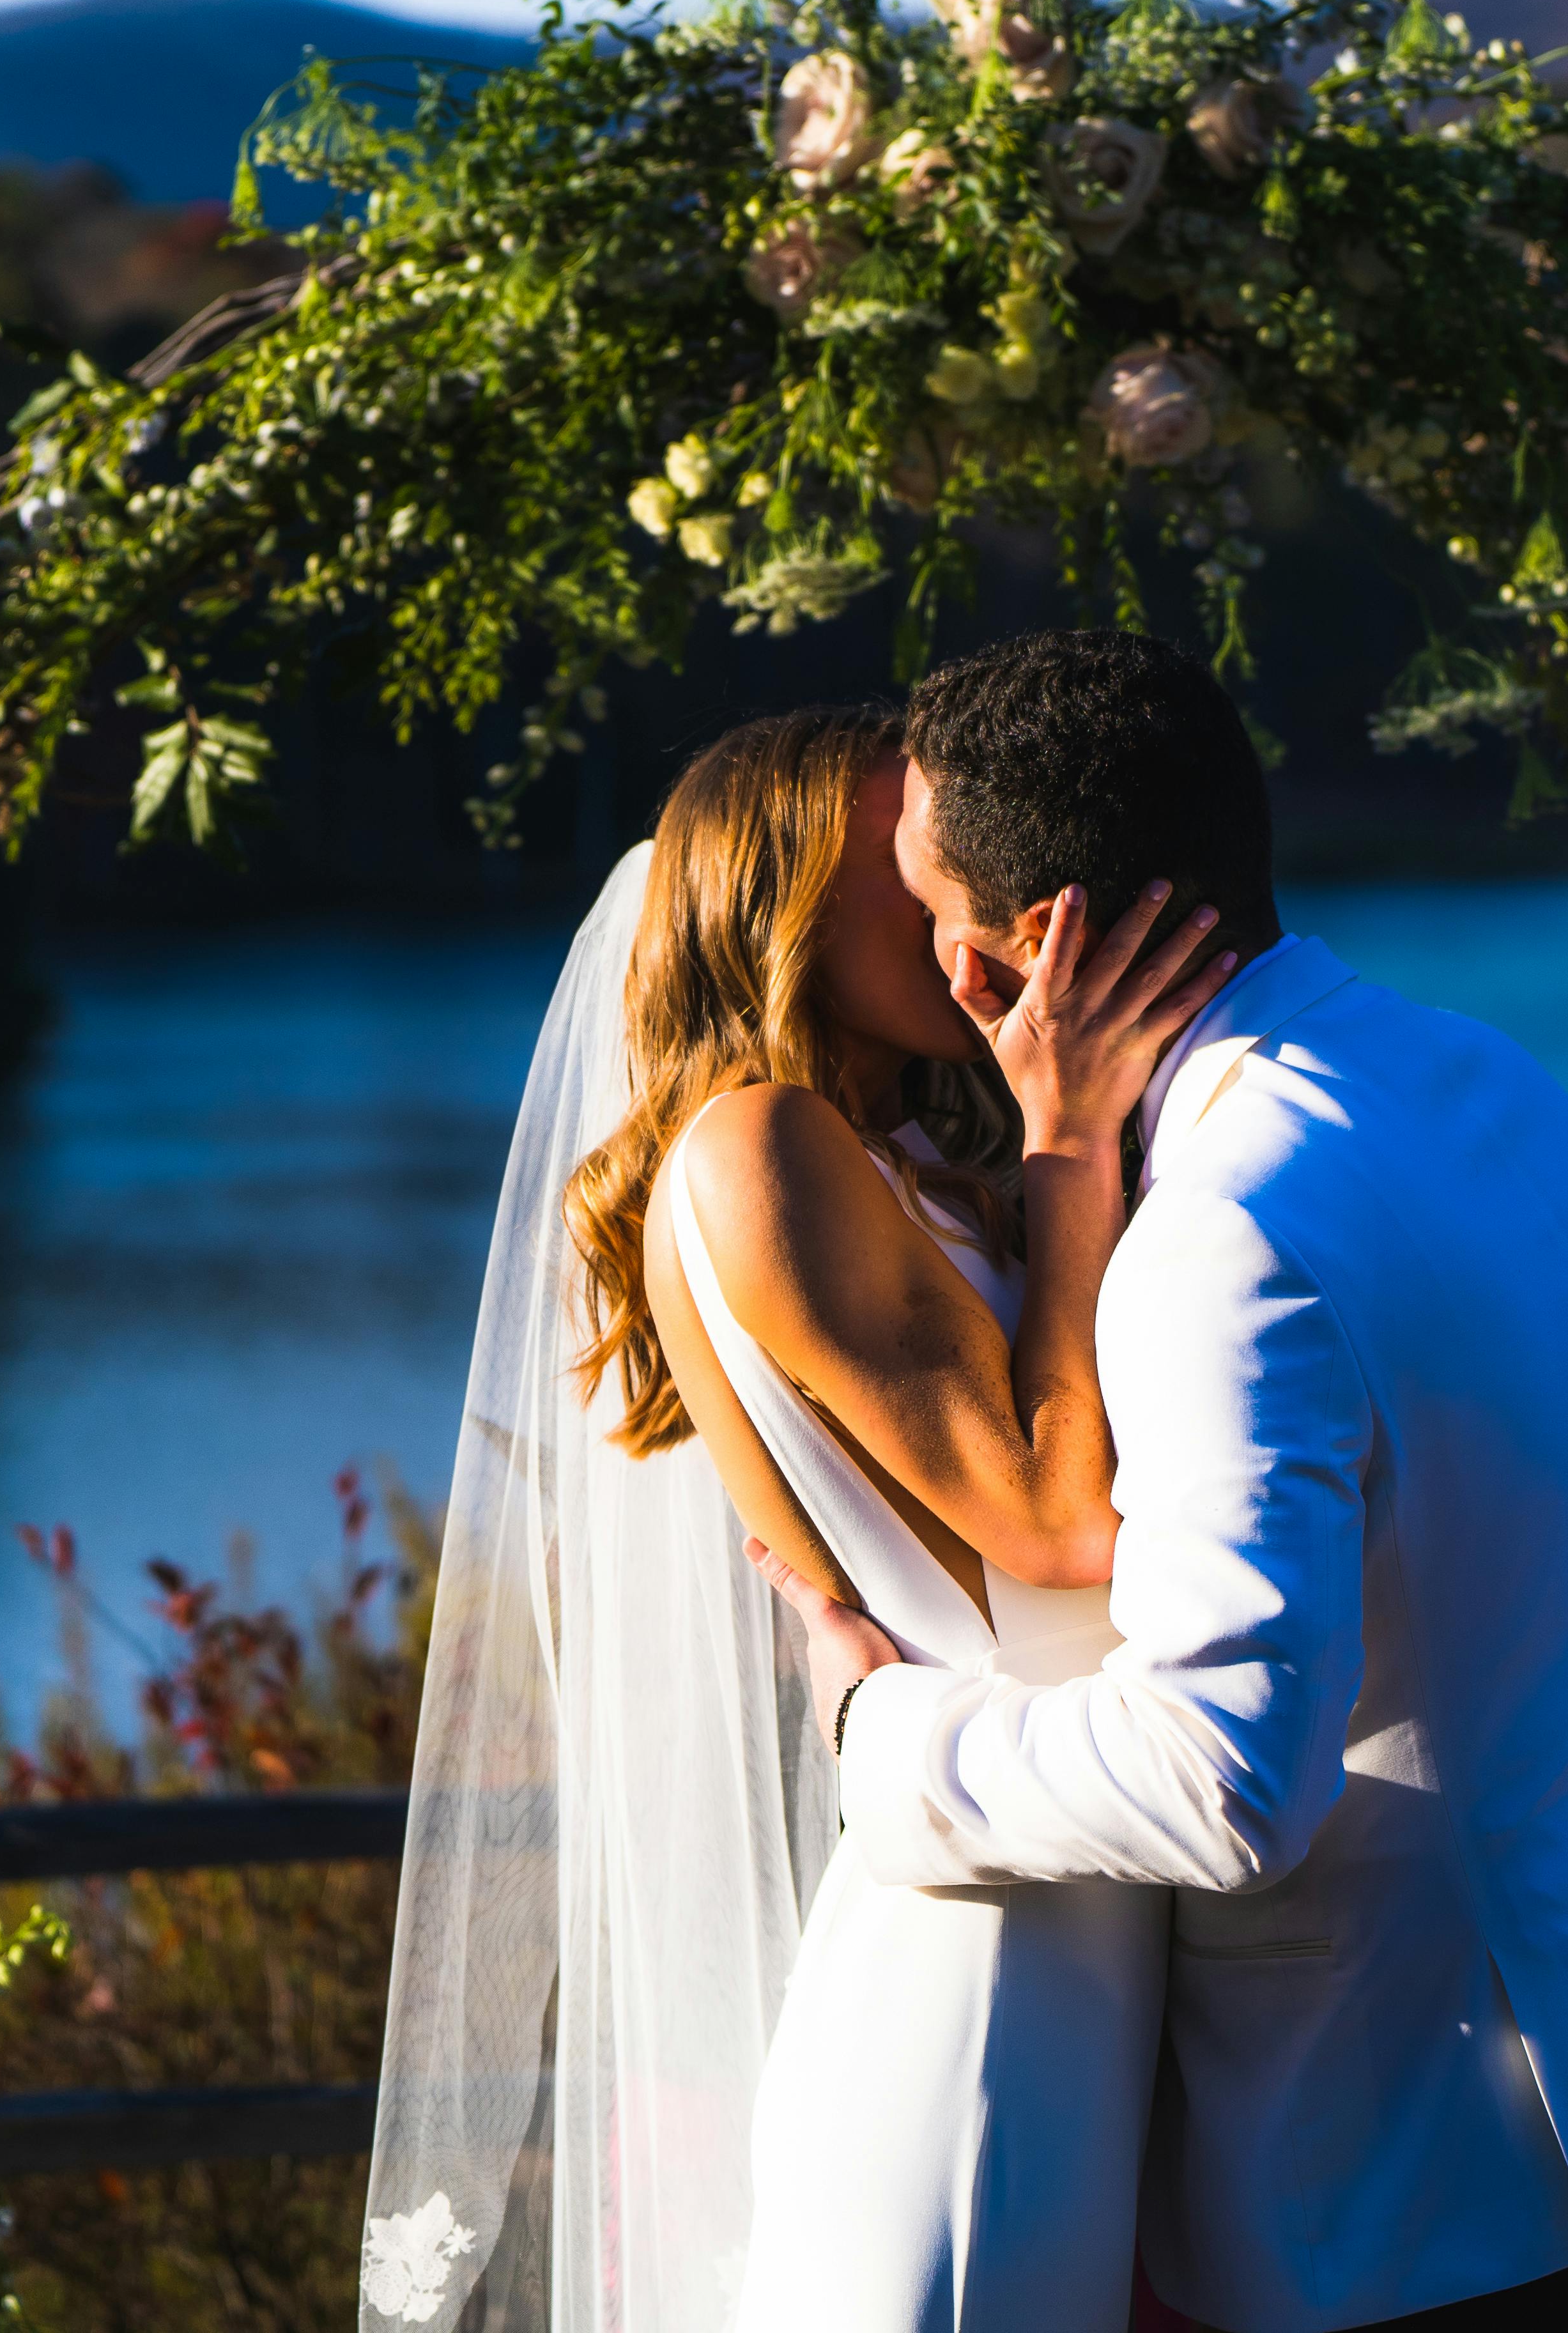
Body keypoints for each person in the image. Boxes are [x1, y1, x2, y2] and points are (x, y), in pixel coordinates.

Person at [751, 631, 1568, 2333]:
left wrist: (880, 1733)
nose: (943, 978)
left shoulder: (1224, 1231)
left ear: (1025, 953)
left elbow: (1221, 1784)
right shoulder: (1480, 1073)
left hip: (1469, 2176)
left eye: (936, 917)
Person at [360, 701, 1231, 2333]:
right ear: (781, 899)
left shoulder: (895, 1154)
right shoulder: (754, 1147)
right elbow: (1056, 1523)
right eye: (907, 861)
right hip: (987, 1961)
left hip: (1072, 1883)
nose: (955, 888)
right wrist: (1064, 1140)